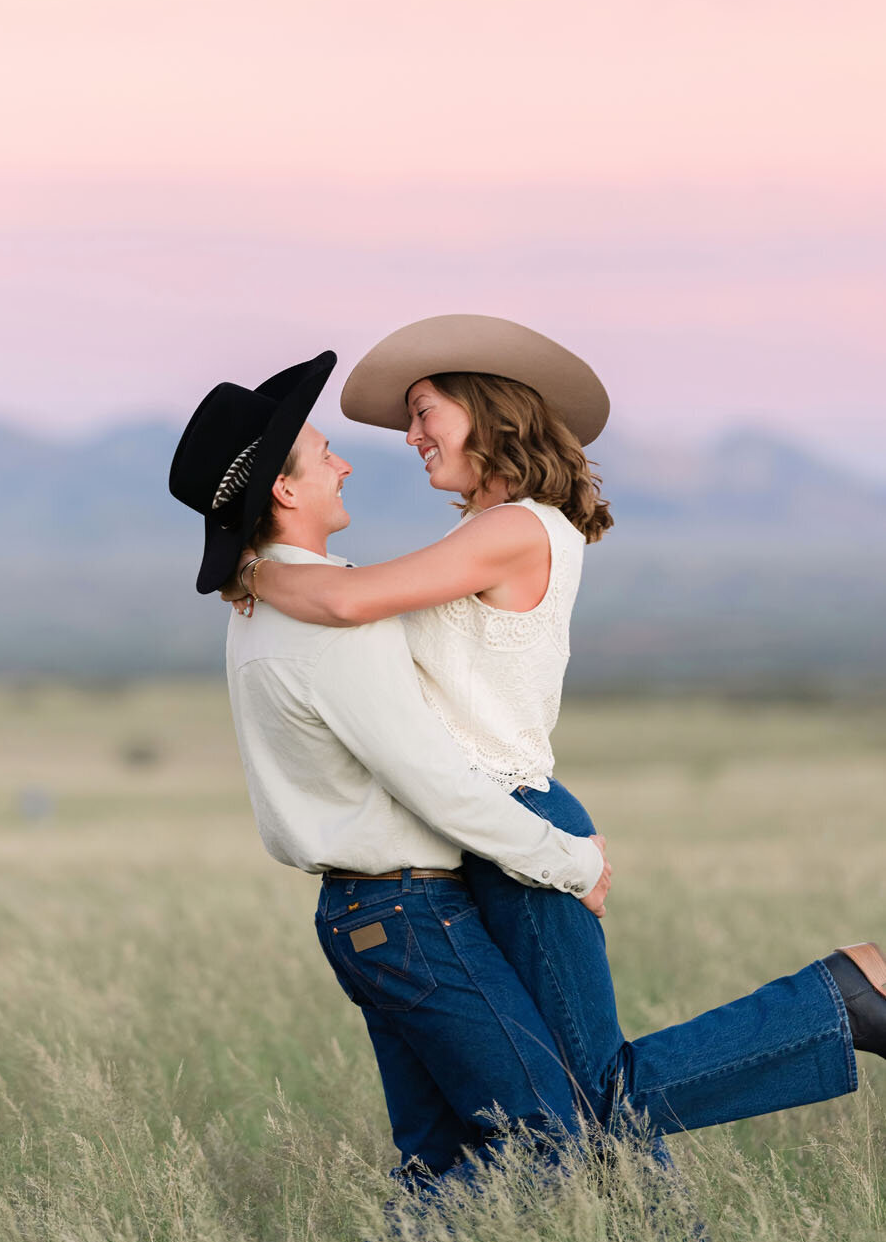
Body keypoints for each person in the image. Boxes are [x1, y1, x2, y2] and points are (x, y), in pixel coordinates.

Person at [226, 315, 886, 1159]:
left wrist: (249, 565)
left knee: (585, 1100)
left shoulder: (517, 528)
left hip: (516, 820)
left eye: (423, 412)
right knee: (566, 1104)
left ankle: (837, 1000)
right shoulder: (479, 531)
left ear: (488, 410)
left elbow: (348, 601)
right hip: (481, 830)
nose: (410, 436)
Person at [168, 349, 619, 1205]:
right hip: (413, 905)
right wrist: (572, 860)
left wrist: (248, 564)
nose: (347, 462)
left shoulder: (265, 604)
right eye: (322, 454)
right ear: (285, 490)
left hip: (367, 909)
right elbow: (431, 777)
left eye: (421, 413)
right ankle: (820, 1013)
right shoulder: (322, 604)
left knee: (443, 1157)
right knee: (556, 1132)